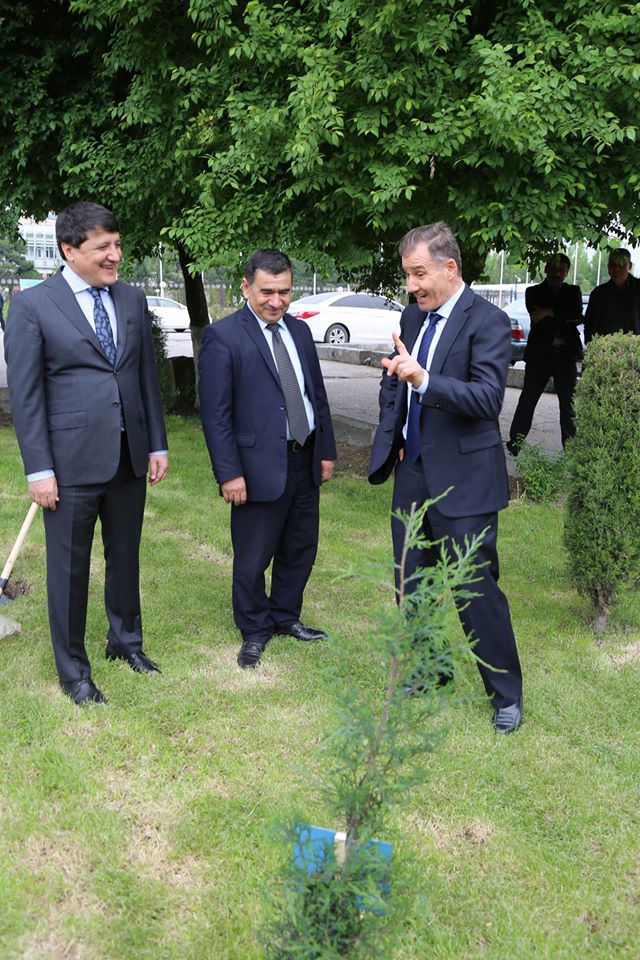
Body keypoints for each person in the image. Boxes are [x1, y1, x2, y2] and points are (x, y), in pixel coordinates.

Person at [4, 201, 168, 705]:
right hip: (69, 463)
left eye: (117, 244)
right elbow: (27, 396)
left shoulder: (132, 299)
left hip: (128, 455)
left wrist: (156, 442)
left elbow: (145, 378)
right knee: (70, 570)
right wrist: (39, 469)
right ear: (69, 250)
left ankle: (126, 642)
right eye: (103, 247)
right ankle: (74, 672)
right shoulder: (32, 306)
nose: (115, 255)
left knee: (126, 558)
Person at [368, 222, 523, 734]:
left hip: (466, 479)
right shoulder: (412, 316)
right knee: (411, 583)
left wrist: (424, 380)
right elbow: (398, 381)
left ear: (449, 267)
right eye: (408, 275)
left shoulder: (489, 321)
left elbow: (487, 399)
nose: (411, 286)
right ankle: (431, 672)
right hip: (412, 472)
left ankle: (505, 695)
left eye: (419, 274)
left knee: (475, 589)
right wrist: (396, 413)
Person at [198, 249, 336, 669]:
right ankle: (255, 627)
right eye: (267, 292)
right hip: (255, 466)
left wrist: (326, 450)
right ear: (246, 287)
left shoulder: (299, 331)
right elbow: (216, 416)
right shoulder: (223, 337)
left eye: (284, 292)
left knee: (300, 546)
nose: (276, 301)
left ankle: (285, 616)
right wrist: (229, 473)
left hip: (304, 458)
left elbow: (316, 395)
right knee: (253, 556)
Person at [507, 253, 583, 455]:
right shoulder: (533, 292)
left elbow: (577, 316)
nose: (557, 273)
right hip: (539, 356)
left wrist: (549, 311)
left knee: (568, 405)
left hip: (566, 356)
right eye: (554, 269)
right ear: (546, 269)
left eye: (562, 270)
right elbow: (536, 316)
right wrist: (562, 314)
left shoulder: (573, 291)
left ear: (567, 272)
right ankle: (515, 443)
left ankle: (571, 448)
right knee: (527, 400)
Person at [584, 249, 640, 342]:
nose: (616, 269)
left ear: (630, 266)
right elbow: (589, 324)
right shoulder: (598, 293)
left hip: (635, 348)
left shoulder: (638, 289)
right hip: (604, 348)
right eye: (612, 265)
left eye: (621, 264)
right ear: (608, 266)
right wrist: (591, 345)